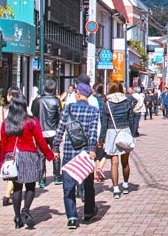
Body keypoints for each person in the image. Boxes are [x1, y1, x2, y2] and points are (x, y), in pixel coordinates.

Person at [0, 93, 55, 229]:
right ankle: (26, 210)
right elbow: (41, 141)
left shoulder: (6, 123)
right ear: (24, 106)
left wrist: (2, 162)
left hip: (11, 156)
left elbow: (3, 144)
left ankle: (17, 218)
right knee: (30, 186)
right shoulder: (31, 121)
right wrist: (50, 155)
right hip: (28, 155)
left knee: (17, 188)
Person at [57, 83, 100, 229]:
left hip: (69, 151)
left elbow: (60, 129)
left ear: (78, 94)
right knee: (88, 185)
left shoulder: (68, 109)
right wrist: (93, 148)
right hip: (85, 154)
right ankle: (88, 212)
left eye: (76, 92)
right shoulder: (94, 111)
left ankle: (72, 218)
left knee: (68, 187)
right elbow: (93, 132)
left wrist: (56, 146)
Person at [100, 83, 136, 199]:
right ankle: (125, 185)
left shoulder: (107, 103)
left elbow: (104, 123)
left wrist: (101, 139)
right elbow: (131, 119)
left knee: (114, 162)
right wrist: (133, 133)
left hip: (112, 132)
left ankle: (116, 189)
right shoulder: (126, 102)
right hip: (125, 131)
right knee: (125, 161)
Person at [31, 78, 62, 187]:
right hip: (53, 131)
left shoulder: (37, 101)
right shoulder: (56, 101)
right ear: (54, 88)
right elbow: (60, 117)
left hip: (40, 131)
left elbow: (33, 116)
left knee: (41, 155)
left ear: (44, 88)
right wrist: (60, 132)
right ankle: (57, 176)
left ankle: (41, 179)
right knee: (55, 153)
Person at [0, 87, 22, 206]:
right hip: (17, 143)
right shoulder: (20, 109)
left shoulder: (3, 109)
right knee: (14, 169)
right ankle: (7, 195)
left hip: (5, 141)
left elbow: (0, 122)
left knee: (10, 167)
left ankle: (8, 194)